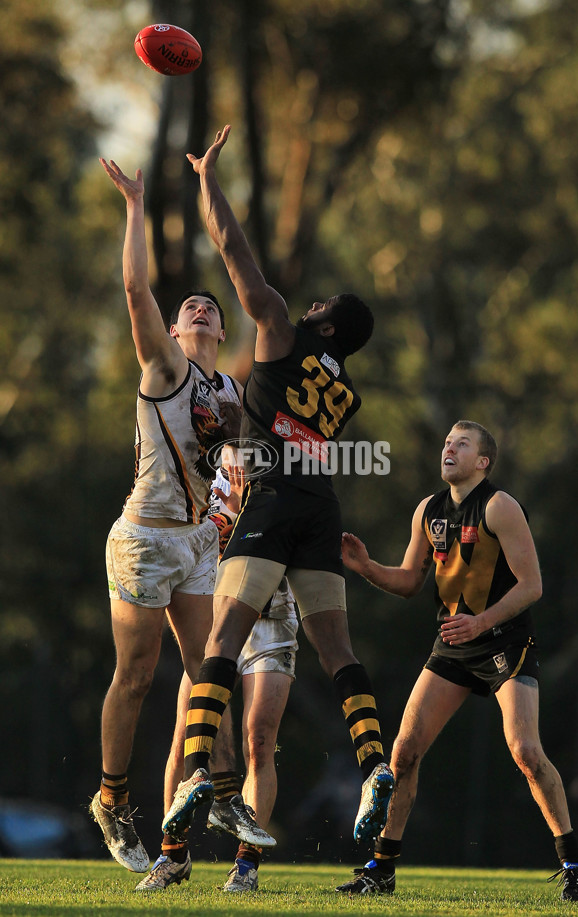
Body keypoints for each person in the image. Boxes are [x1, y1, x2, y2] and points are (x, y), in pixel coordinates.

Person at [161, 124, 393, 848]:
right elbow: (282, 424)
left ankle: (198, 768)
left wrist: (208, 180)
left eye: (318, 301)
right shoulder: (342, 383)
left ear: (321, 318)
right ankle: (376, 763)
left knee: (221, 640)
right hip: (320, 505)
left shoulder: (283, 330)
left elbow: (234, 253)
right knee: (339, 651)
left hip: (270, 499)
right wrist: (243, 420)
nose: (307, 302)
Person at [90, 157, 272, 873]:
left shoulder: (232, 385)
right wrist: (136, 205)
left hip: (197, 540)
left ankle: (226, 793)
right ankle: (111, 799)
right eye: (190, 305)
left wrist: (243, 435)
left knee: (210, 672)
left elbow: (251, 458)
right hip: (142, 540)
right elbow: (135, 285)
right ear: (171, 327)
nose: (202, 307)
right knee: (135, 678)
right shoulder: (165, 368)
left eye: (211, 307)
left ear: (222, 331)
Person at [335, 420, 578, 902]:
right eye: (447, 442)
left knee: (526, 753)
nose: (449, 448)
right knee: (404, 752)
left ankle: (574, 865)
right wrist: (367, 568)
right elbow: (411, 581)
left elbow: (532, 586)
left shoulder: (500, 506)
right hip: (454, 643)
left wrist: (481, 622)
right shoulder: (428, 510)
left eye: (462, 444)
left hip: (504, 642)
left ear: (483, 462)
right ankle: (381, 870)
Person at [135, 457, 299, 893]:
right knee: (186, 736)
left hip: (271, 615)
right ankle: (173, 855)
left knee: (259, 738)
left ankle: (246, 866)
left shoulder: (283, 471)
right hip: (215, 622)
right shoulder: (194, 479)